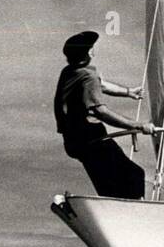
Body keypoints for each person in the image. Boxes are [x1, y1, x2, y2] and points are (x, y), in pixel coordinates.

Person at [54, 31, 153, 199]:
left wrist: (128, 92)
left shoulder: (70, 72)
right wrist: (137, 125)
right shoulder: (88, 76)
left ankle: (114, 211)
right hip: (90, 136)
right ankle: (133, 212)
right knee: (134, 174)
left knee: (109, 183)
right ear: (88, 52)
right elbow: (99, 111)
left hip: (73, 140)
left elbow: (102, 86)